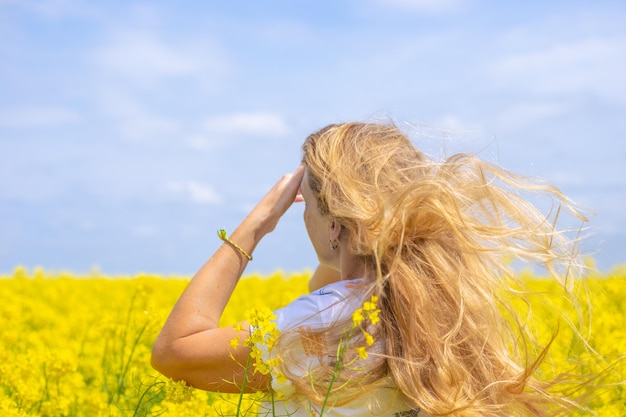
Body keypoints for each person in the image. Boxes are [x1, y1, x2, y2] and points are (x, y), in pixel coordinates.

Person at [151, 121, 591, 416]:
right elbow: (332, 287)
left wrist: (258, 223)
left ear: (337, 224)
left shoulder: (326, 322)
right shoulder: (433, 304)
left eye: (304, 202)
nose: (299, 214)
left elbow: (174, 353)